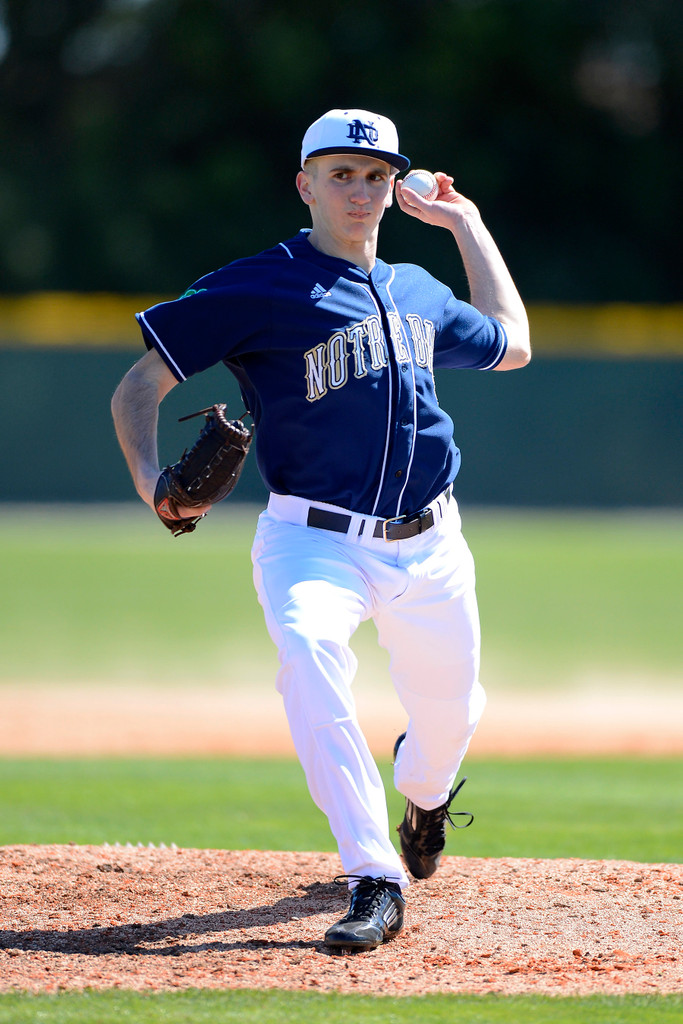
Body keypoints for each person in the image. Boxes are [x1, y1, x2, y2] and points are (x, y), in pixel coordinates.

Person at [111, 108, 530, 953]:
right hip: (315, 541)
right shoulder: (258, 284)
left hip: (431, 544)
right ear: (305, 185)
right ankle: (371, 877)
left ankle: (425, 793)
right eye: (341, 174)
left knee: (447, 718)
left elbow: (512, 343)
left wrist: (467, 223)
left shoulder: (417, 289)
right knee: (307, 658)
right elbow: (136, 388)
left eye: (376, 176)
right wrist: (155, 486)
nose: (362, 191)